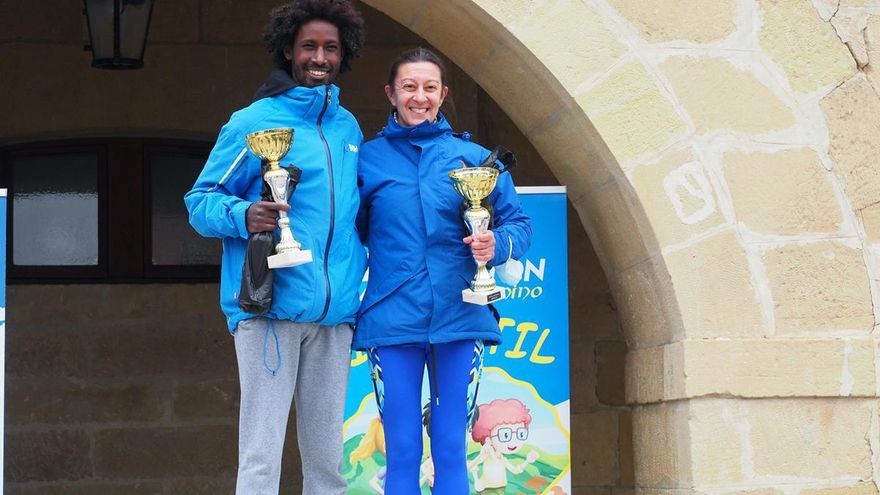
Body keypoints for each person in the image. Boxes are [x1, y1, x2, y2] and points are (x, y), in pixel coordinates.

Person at [184, 1, 366, 493]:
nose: (320, 57)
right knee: (261, 460)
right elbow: (199, 202)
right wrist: (244, 215)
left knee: (329, 464)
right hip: (270, 311)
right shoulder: (252, 122)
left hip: (334, 317)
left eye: (330, 47)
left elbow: (352, 216)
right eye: (309, 46)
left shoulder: (347, 127)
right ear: (288, 50)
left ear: (342, 52)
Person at [354, 47, 532, 494]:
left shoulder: (474, 159)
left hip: (462, 315)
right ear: (391, 94)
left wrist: (497, 244)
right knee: (402, 448)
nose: (420, 97)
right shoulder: (365, 160)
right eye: (409, 87)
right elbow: (346, 232)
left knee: (452, 446)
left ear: (443, 94)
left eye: (429, 87)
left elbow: (519, 224)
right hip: (391, 318)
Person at [468, 399, 540, 494]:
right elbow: (470, 466)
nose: (513, 442)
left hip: (501, 490)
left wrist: (527, 461)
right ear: (488, 437)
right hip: (486, 490)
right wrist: (481, 456)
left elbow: (515, 470)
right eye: (505, 435)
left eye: (520, 434)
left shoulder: (502, 458)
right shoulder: (486, 455)